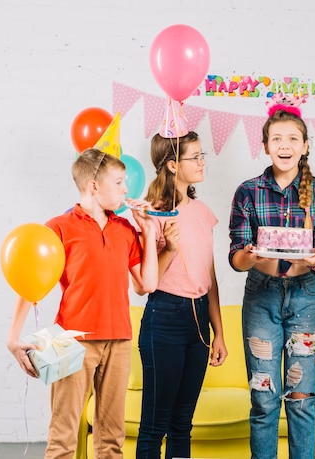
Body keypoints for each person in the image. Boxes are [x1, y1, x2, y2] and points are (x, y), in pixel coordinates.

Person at [6, 148, 159, 459]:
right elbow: (31, 281)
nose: (126, 189)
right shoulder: (59, 227)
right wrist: (13, 337)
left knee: (111, 438)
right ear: (94, 185)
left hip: (119, 339)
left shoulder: (125, 229)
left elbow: (147, 284)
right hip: (72, 340)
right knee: (63, 436)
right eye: (119, 182)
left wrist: (148, 228)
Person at [228, 100, 315, 459]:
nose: (285, 146)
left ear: (305, 146)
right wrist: (253, 255)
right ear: (265, 146)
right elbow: (236, 257)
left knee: (302, 402)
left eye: (293, 139)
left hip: (307, 298)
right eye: (276, 139)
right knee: (263, 399)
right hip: (261, 297)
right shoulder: (248, 191)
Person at [136, 130, 228, 459]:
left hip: (199, 320)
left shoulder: (202, 212)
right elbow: (143, 283)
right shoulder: (152, 214)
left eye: (202, 156)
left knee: (182, 424)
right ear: (173, 165)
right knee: (154, 425)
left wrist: (218, 332)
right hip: (165, 319)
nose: (203, 162)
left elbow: (210, 276)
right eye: (196, 157)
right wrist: (170, 247)